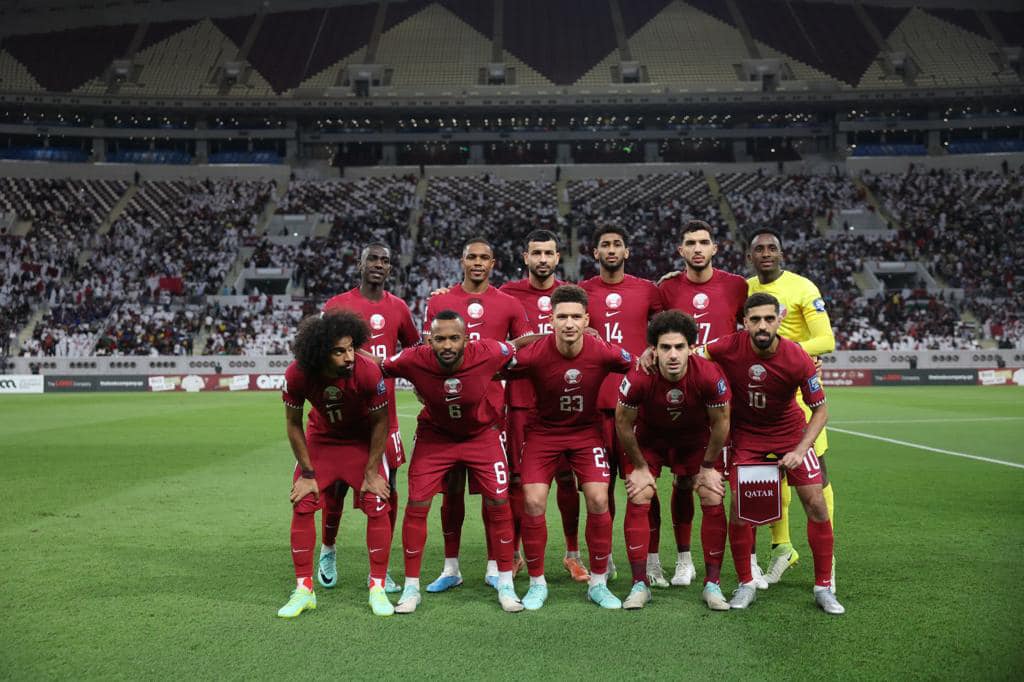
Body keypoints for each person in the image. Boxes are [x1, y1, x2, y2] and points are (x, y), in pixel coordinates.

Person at [703, 293, 843, 615]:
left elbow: (820, 411)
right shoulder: (728, 346)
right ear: (745, 322)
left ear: (779, 320)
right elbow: (694, 354)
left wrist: (800, 450)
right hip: (748, 437)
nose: (762, 326)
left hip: (790, 434)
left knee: (816, 502)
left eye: (769, 318)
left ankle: (824, 587)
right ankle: (746, 583)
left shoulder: (796, 356)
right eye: (755, 320)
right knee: (741, 509)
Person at [379, 310, 524, 614]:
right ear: (429, 340)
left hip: (481, 435)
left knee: (499, 502)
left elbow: (518, 345)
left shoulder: (488, 351)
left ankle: (506, 584)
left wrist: (558, 337)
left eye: (454, 338)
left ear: (467, 340)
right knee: (417, 504)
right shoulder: (412, 359)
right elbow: (377, 366)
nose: (447, 345)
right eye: (440, 339)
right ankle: (411, 588)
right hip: (435, 438)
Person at [510, 285, 632, 610]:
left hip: (585, 434)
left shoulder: (601, 350)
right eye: (562, 316)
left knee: (598, 498)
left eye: (576, 317)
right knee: (533, 501)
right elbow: (490, 368)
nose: (569, 323)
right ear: (551, 320)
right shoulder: (535, 353)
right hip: (543, 434)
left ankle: (598, 582)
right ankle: (537, 583)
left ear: (586, 320)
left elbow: (637, 367)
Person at [422, 238, 530, 591]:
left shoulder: (509, 304)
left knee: (493, 492)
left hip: (491, 413)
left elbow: (524, 352)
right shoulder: (439, 302)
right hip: (447, 412)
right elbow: (426, 352)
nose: (478, 263)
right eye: (472, 257)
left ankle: (494, 566)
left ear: (493, 263)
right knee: (450, 491)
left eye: (485, 257)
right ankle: (450, 568)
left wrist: (492, 371)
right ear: (462, 261)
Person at [278, 311, 395, 618]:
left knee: (377, 501)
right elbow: (293, 424)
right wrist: (307, 473)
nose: (350, 357)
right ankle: (304, 590)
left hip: (360, 442)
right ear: (320, 353)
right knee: (303, 501)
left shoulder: (368, 372)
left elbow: (381, 422)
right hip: (323, 441)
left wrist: (372, 472)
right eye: (339, 351)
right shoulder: (297, 374)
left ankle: (378, 587)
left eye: (351, 348)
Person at [320, 242, 420, 594]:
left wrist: (405, 372)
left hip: (384, 417)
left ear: (390, 268)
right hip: (343, 419)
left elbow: (415, 348)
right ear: (360, 265)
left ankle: (381, 567)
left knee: (387, 492)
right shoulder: (337, 305)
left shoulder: (399, 307)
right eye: (372, 259)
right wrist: (363, 358)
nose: (378, 264)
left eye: (385, 260)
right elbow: (321, 352)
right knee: (334, 491)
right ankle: (328, 550)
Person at [616, 311, 731, 610]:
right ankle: (640, 583)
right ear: (654, 349)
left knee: (711, 493)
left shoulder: (708, 374)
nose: (673, 354)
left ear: (691, 348)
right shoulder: (639, 376)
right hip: (650, 440)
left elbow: (721, 422)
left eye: (679, 347)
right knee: (640, 492)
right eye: (665, 347)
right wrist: (640, 467)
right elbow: (623, 423)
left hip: (693, 440)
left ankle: (712, 584)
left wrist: (707, 468)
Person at [656, 219, 750, 588]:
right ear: (681, 250)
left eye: (704, 242)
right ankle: (684, 561)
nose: (698, 248)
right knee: (683, 481)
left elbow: (753, 330)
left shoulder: (737, 286)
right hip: (683, 399)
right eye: (691, 243)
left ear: (715, 248)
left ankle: (749, 561)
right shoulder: (666, 289)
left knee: (734, 482)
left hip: (726, 398)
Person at [746, 229, 837, 589]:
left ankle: (828, 554)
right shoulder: (744, 289)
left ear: (782, 254)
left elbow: (826, 339)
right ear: (750, 256)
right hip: (759, 396)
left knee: (817, 474)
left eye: (773, 248)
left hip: (798, 394)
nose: (766, 253)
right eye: (759, 249)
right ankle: (782, 547)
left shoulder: (802, 287)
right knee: (768, 474)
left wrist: (786, 352)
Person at [499, 229, 589, 583]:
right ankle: (515, 554)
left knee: (567, 479)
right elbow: (503, 346)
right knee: (518, 482)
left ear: (557, 257)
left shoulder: (571, 296)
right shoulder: (507, 295)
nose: (542, 259)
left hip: (563, 401)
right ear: (525, 257)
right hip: (521, 401)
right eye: (536, 253)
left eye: (548, 253)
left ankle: (572, 554)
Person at [580, 226, 662, 583]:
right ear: (595, 253)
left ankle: (652, 562)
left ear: (627, 251)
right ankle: (605, 559)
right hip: (595, 406)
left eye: (617, 244)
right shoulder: (582, 292)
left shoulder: (647, 290)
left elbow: (665, 330)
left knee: (643, 485)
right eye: (605, 245)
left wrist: (652, 347)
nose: (611, 250)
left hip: (638, 407)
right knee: (599, 490)